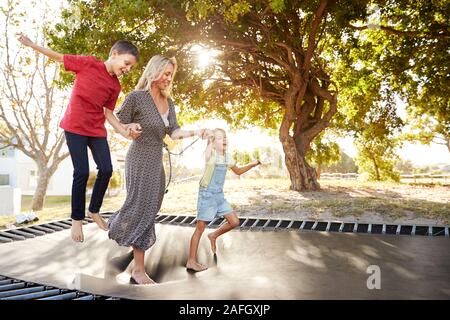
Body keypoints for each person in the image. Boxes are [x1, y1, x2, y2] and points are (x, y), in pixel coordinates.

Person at [17, 34, 142, 243]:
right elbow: (58, 57)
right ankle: (77, 219)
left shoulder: (115, 86)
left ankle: (94, 210)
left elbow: (109, 114)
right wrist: (32, 45)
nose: (127, 69)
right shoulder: (88, 64)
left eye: (130, 67)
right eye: (126, 63)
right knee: (82, 171)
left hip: (96, 129)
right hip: (74, 127)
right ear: (114, 54)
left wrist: (124, 131)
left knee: (107, 168)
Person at [107, 55, 209, 285]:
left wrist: (197, 131)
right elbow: (117, 123)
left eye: (171, 74)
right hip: (139, 157)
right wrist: (128, 127)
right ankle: (138, 270)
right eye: (166, 73)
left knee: (149, 209)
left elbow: (173, 133)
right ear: (154, 72)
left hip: (156, 160)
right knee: (141, 208)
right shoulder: (137, 98)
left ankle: (122, 233)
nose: (168, 78)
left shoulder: (168, 103)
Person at [186, 128, 261, 272]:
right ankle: (191, 261)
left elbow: (238, 171)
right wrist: (209, 138)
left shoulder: (227, 157)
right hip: (207, 195)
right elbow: (207, 152)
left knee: (234, 221)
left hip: (219, 195)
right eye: (220, 138)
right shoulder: (211, 154)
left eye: (225, 137)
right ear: (213, 143)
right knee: (199, 229)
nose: (224, 140)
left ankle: (213, 235)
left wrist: (252, 164)